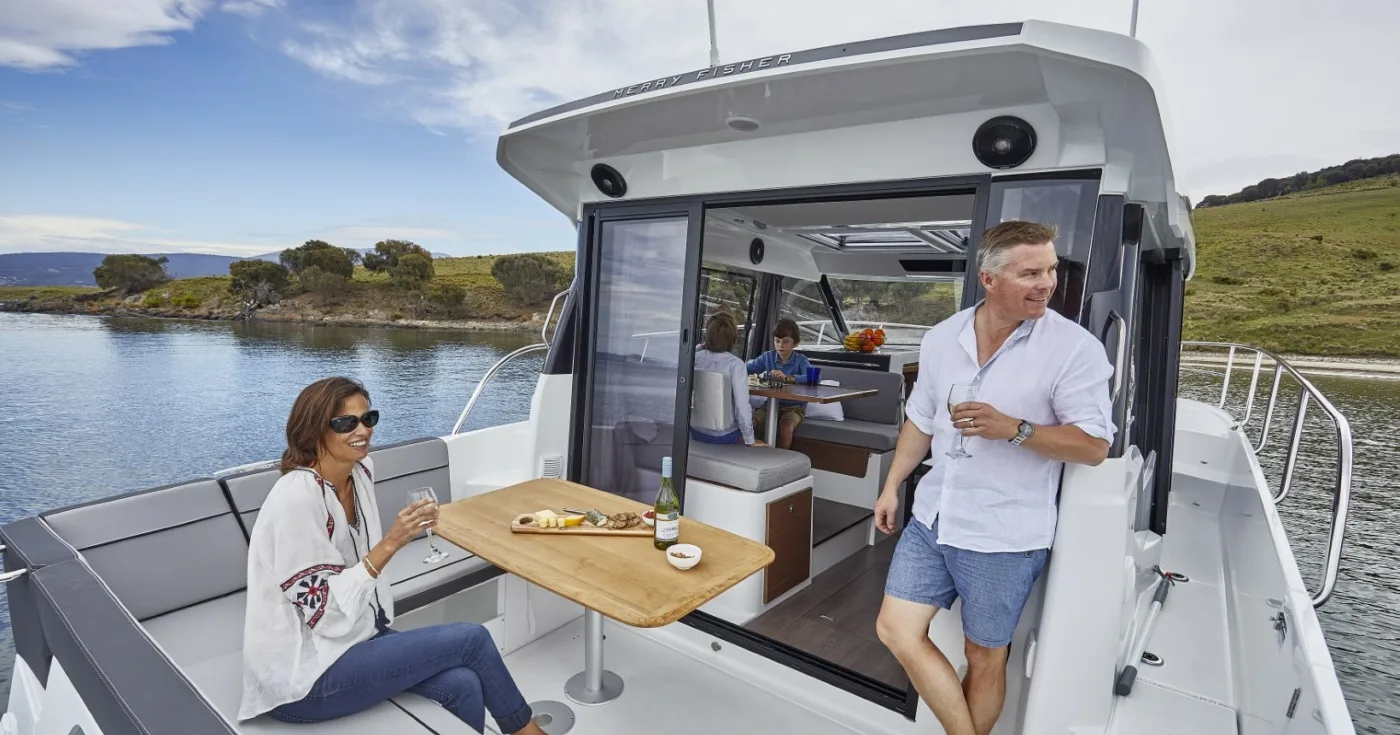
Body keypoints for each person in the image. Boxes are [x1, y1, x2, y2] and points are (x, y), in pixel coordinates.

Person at [872, 221, 1114, 735]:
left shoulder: (1074, 348)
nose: (1047, 284)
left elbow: (1094, 445)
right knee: (895, 629)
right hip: (933, 518)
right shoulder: (942, 338)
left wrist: (1015, 429)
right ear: (989, 279)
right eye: (1031, 273)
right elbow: (921, 420)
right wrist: (892, 485)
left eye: (1051, 270)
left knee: (983, 655)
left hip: (1004, 534)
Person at [239, 376, 546, 734]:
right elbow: (323, 614)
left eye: (368, 418)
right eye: (346, 423)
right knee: (472, 639)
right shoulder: (296, 498)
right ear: (312, 430)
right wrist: (392, 542)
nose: (362, 430)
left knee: (463, 683)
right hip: (304, 678)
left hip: (352, 640)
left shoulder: (360, 473)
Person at [692, 312, 765, 446]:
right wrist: (750, 440)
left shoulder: (694, 358)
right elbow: (742, 407)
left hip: (695, 431)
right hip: (725, 436)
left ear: (707, 335)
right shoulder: (736, 365)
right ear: (734, 339)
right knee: (757, 427)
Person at [747, 317, 813, 449]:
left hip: (795, 407)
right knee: (749, 424)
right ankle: (750, 457)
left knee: (786, 427)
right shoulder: (767, 357)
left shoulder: (801, 360)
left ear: (795, 343)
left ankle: (781, 458)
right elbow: (746, 368)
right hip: (770, 405)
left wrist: (788, 378)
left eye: (786, 341)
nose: (780, 345)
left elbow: (813, 378)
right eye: (777, 341)